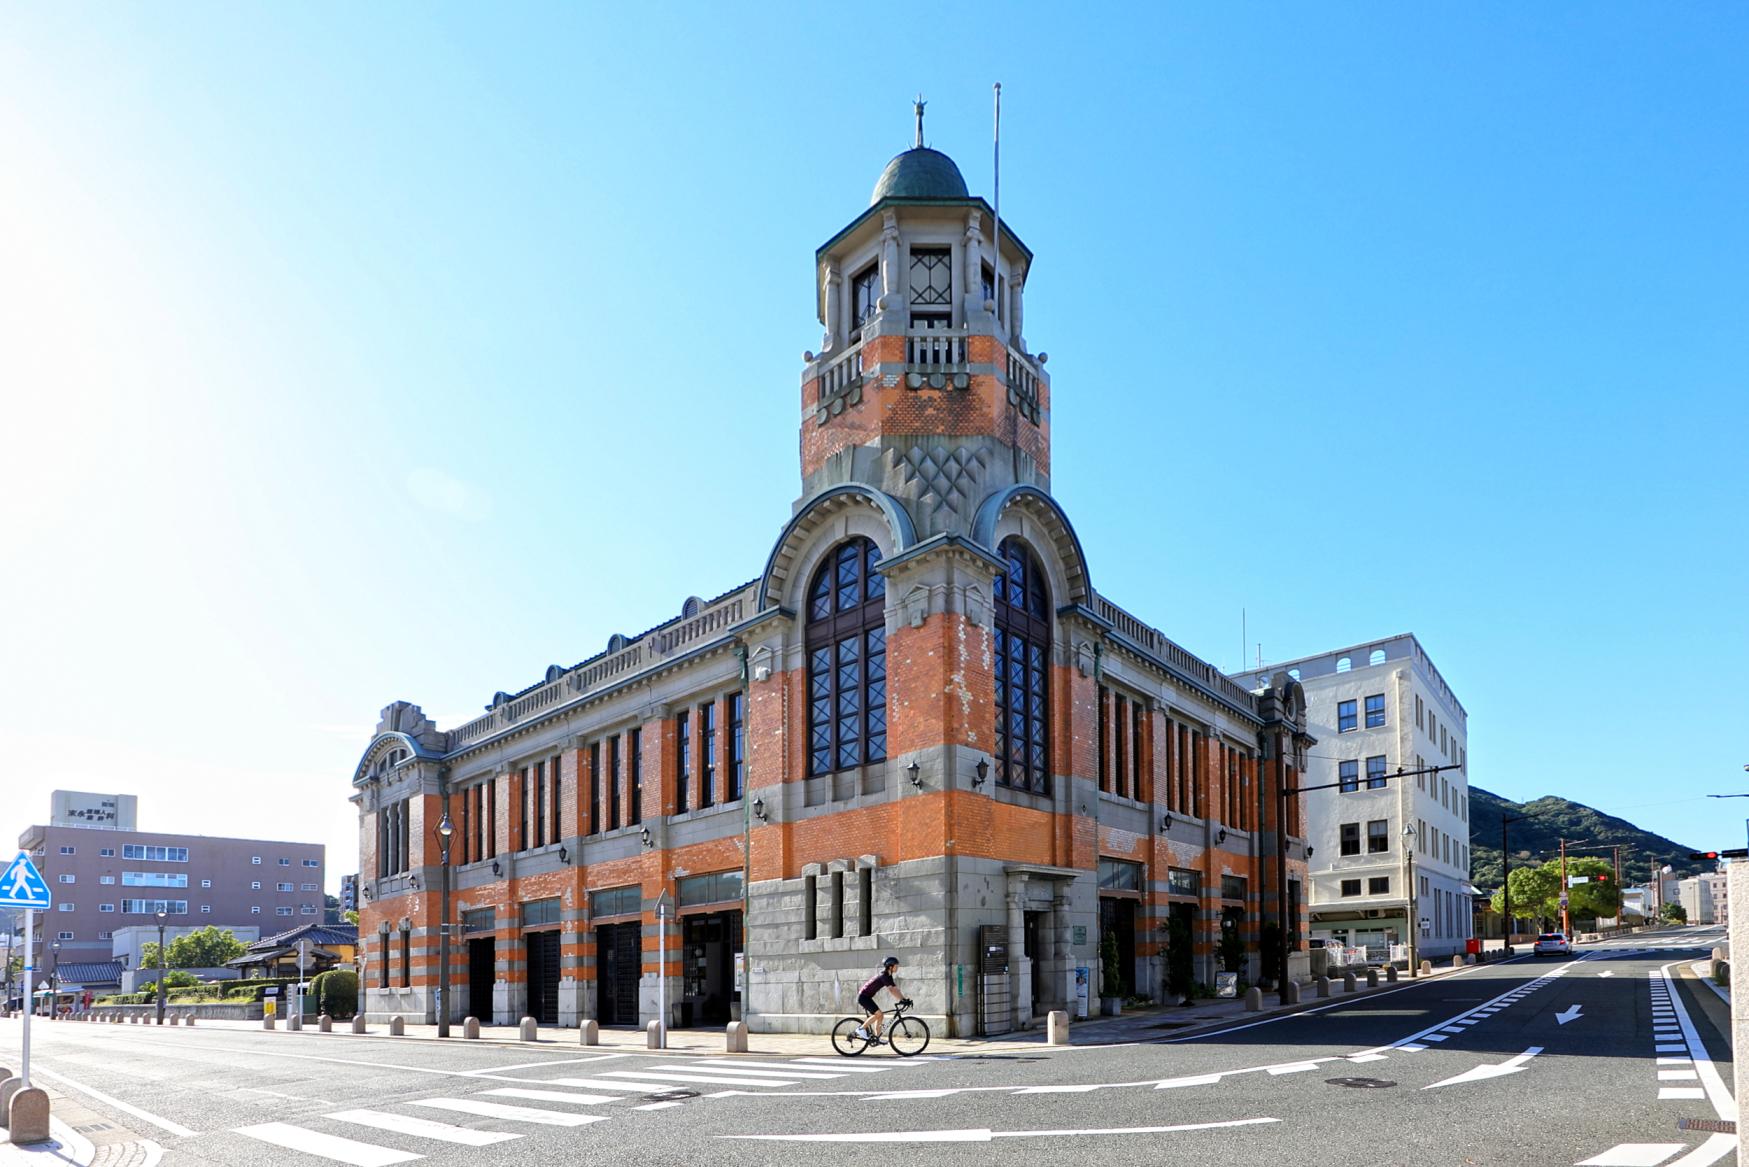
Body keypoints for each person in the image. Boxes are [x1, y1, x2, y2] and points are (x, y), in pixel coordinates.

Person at [854, 956, 908, 1043]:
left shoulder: (888, 975)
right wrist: (902, 999)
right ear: (890, 966)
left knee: (880, 1015)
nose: (897, 967)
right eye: (896, 965)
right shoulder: (884, 976)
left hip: (866, 997)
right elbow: (891, 990)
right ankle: (861, 1029)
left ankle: (877, 1037)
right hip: (863, 997)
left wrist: (904, 999)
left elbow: (895, 988)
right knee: (878, 1014)